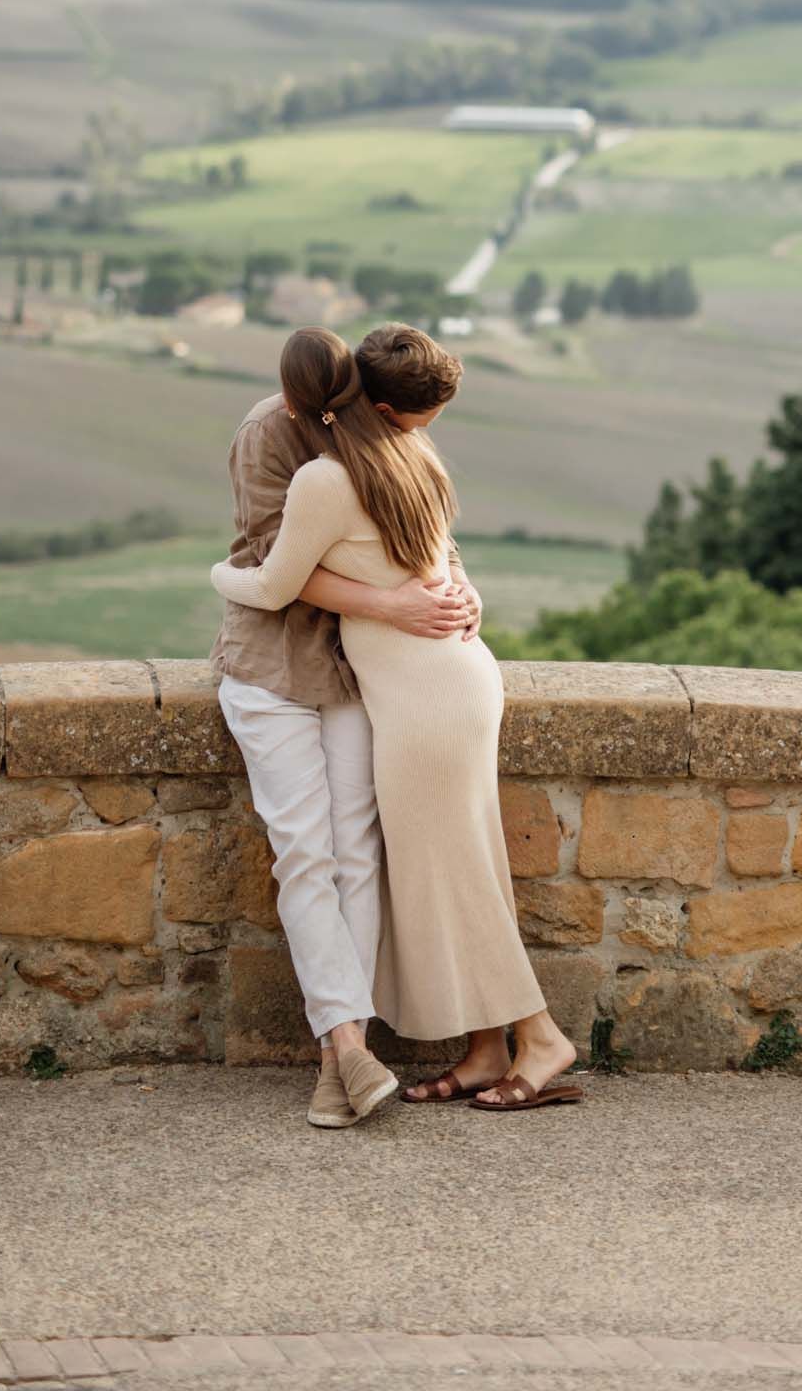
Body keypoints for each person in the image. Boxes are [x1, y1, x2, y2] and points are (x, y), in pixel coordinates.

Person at [213, 324, 582, 1115]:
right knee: (446, 868)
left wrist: (219, 572)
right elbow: (431, 550)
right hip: (445, 685)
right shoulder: (404, 456)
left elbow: (272, 581)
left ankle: (541, 1036)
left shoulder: (330, 473)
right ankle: (486, 1048)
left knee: (460, 875)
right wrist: (445, 585)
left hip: (423, 697)